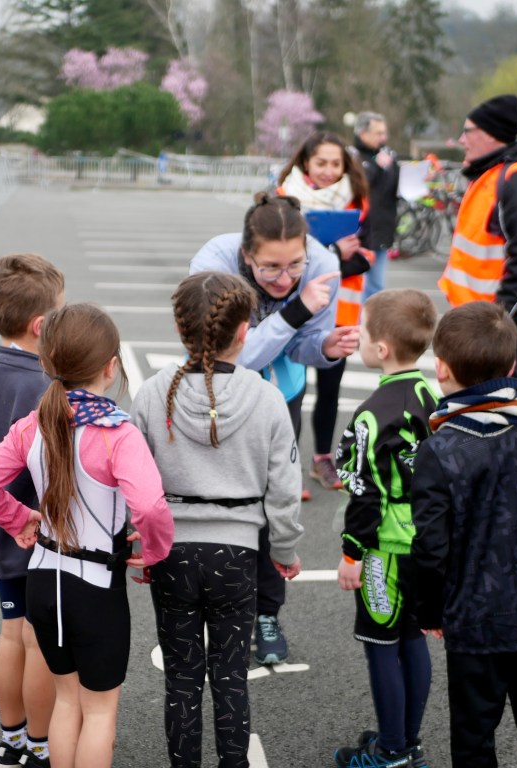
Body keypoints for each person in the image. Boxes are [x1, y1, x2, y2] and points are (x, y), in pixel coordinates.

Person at [0, 303, 174, 768]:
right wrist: (155, 550)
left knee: (66, 701)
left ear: (46, 363)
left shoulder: (34, 423)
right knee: (99, 711)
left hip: (42, 580)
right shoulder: (117, 433)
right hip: (95, 588)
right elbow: (150, 507)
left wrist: (17, 518)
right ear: (111, 367)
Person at [130, 272, 305, 768]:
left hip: (172, 552)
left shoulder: (153, 393)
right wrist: (284, 550)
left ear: (179, 327)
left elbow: (134, 484)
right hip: (237, 553)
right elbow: (284, 488)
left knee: (182, 678)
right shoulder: (266, 399)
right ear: (245, 330)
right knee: (230, 677)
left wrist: (140, 545)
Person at [190, 192, 359, 665]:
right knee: (218, 500)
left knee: (271, 503)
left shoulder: (322, 264)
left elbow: (302, 344)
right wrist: (296, 310)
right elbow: (231, 355)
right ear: (247, 256)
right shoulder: (213, 263)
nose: (285, 279)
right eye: (270, 269)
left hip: (281, 393)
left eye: (294, 265)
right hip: (218, 389)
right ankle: (215, 610)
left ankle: (267, 612)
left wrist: (324, 346)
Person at [410, 301, 517, 768]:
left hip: (474, 619)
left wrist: (431, 609)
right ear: (510, 368)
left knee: (474, 736)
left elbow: (431, 546)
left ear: (441, 369)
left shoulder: (440, 449)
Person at [0, 254, 64, 768]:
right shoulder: (48, 387)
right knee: (39, 642)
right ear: (41, 325)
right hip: (41, 532)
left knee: (10, 632)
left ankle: (11, 739)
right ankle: (41, 745)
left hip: (0, 529)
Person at [332, 289, 438, 768]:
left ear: (381, 349)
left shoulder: (373, 413)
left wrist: (352, 553)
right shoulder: (432, 397)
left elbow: (366, 493)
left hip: (386, 548)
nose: (357, 338)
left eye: (362, 331)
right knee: (413, 637)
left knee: (381, 645)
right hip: (428, 540)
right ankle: (406, 739)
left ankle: (392, 752)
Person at [277, 132, 371, 494]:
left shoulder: (357, 200)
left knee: (330, 390)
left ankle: (322, 460)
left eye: (336, 164)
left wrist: (333, 258)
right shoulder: (285, 198)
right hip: (295, 308)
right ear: (305, 163)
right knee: (292, 390)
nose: (329, 171)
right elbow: (281, 256)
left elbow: (365, 259)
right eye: (321, 163)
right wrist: (334, 252)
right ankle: (289, 468)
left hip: (341, 311)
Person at [440, 94, 517, 381]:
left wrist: (498, 320)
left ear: (490, 135)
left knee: (501, 395)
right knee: (482, 394)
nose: (462, 139)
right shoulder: (492, 172)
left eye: (467, 131)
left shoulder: (516, 178)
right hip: (481, 316)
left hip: (498, 319)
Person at [352, 112, 400, 301]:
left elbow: (397, 187)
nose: (383, 138)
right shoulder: (354, 157)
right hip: (362, 231)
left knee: (376, 287)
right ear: (363, 133)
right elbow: (360, 186)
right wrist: (378, 167)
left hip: (382, 229)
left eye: (384, 133)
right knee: (359, 285)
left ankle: (368, 318)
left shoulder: (386, 156)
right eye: (378, 133)